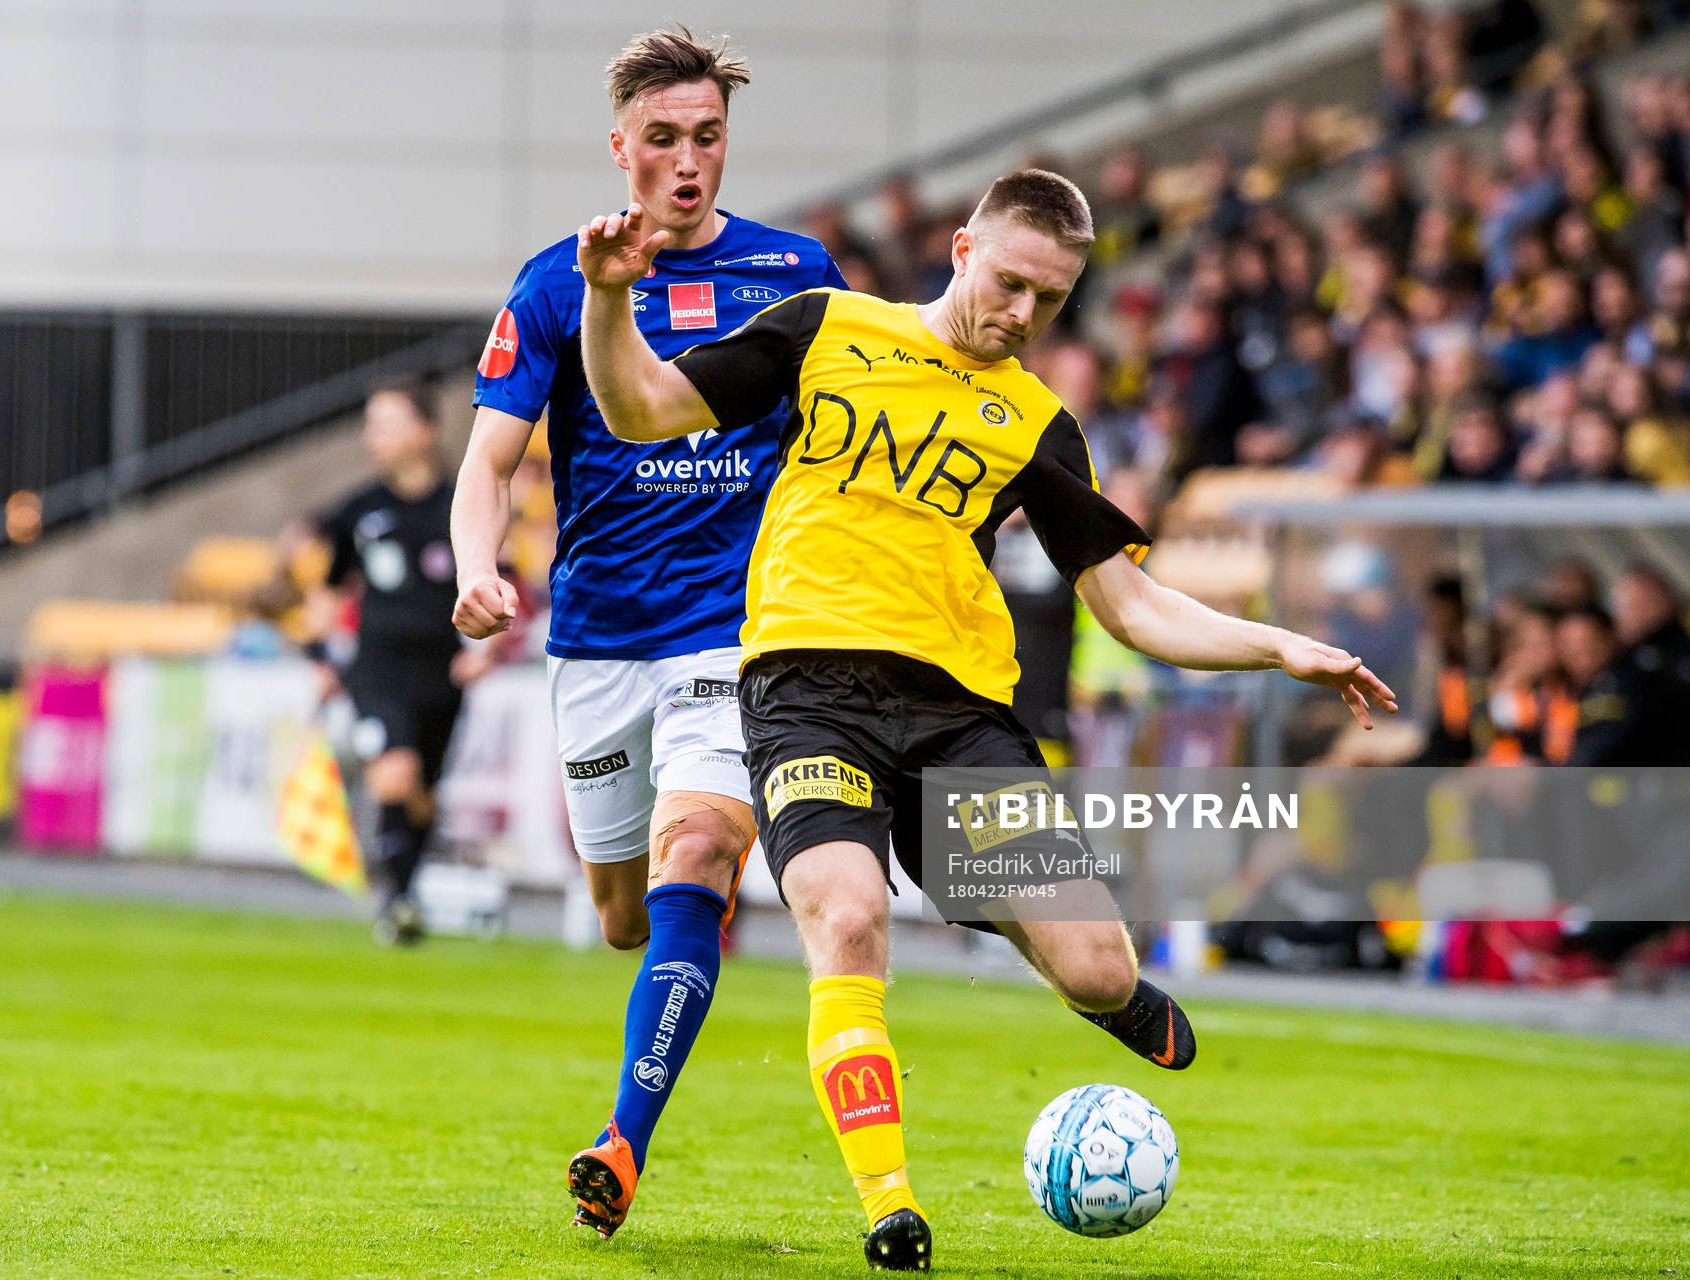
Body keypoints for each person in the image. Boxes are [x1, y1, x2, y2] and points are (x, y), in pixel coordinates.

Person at [575, 168, 1399, 1270]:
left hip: (959, 716)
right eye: (1011, 282)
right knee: (847, 913)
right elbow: (639, 407)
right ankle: (889, 1204)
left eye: (1050, 301)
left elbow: (1133, 601)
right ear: (963, 247)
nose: (1021, 313)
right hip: (808, 694)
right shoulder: (824, 328)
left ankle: (1040, 940)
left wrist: (1279, 643)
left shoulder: (1038, 425)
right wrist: (606, 297)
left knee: (1100, 969)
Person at [447, 28, 845, 1240]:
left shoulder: (796, 271)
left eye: (707, 138)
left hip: (737, 631)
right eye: (662, 139)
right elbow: (489, 461)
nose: (687, 162)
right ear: (619, 145)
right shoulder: (558, 282)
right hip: (601, 642)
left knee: (700, 859)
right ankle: (668, 944)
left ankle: (623, 1139)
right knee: (625, 911)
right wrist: (476, 568)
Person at [309, 379, 467, 945]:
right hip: (377, 669)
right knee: (394, 774)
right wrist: (325, 655)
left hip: (443, 672)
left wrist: (488, 654)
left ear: (425, 432)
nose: (372, 437)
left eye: (386, 423)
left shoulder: (462, 505)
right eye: (370, 425)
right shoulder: (359, 510)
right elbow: (327, 591)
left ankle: (405, 886)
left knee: (421, 791)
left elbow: (504, 578)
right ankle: (398, 902)